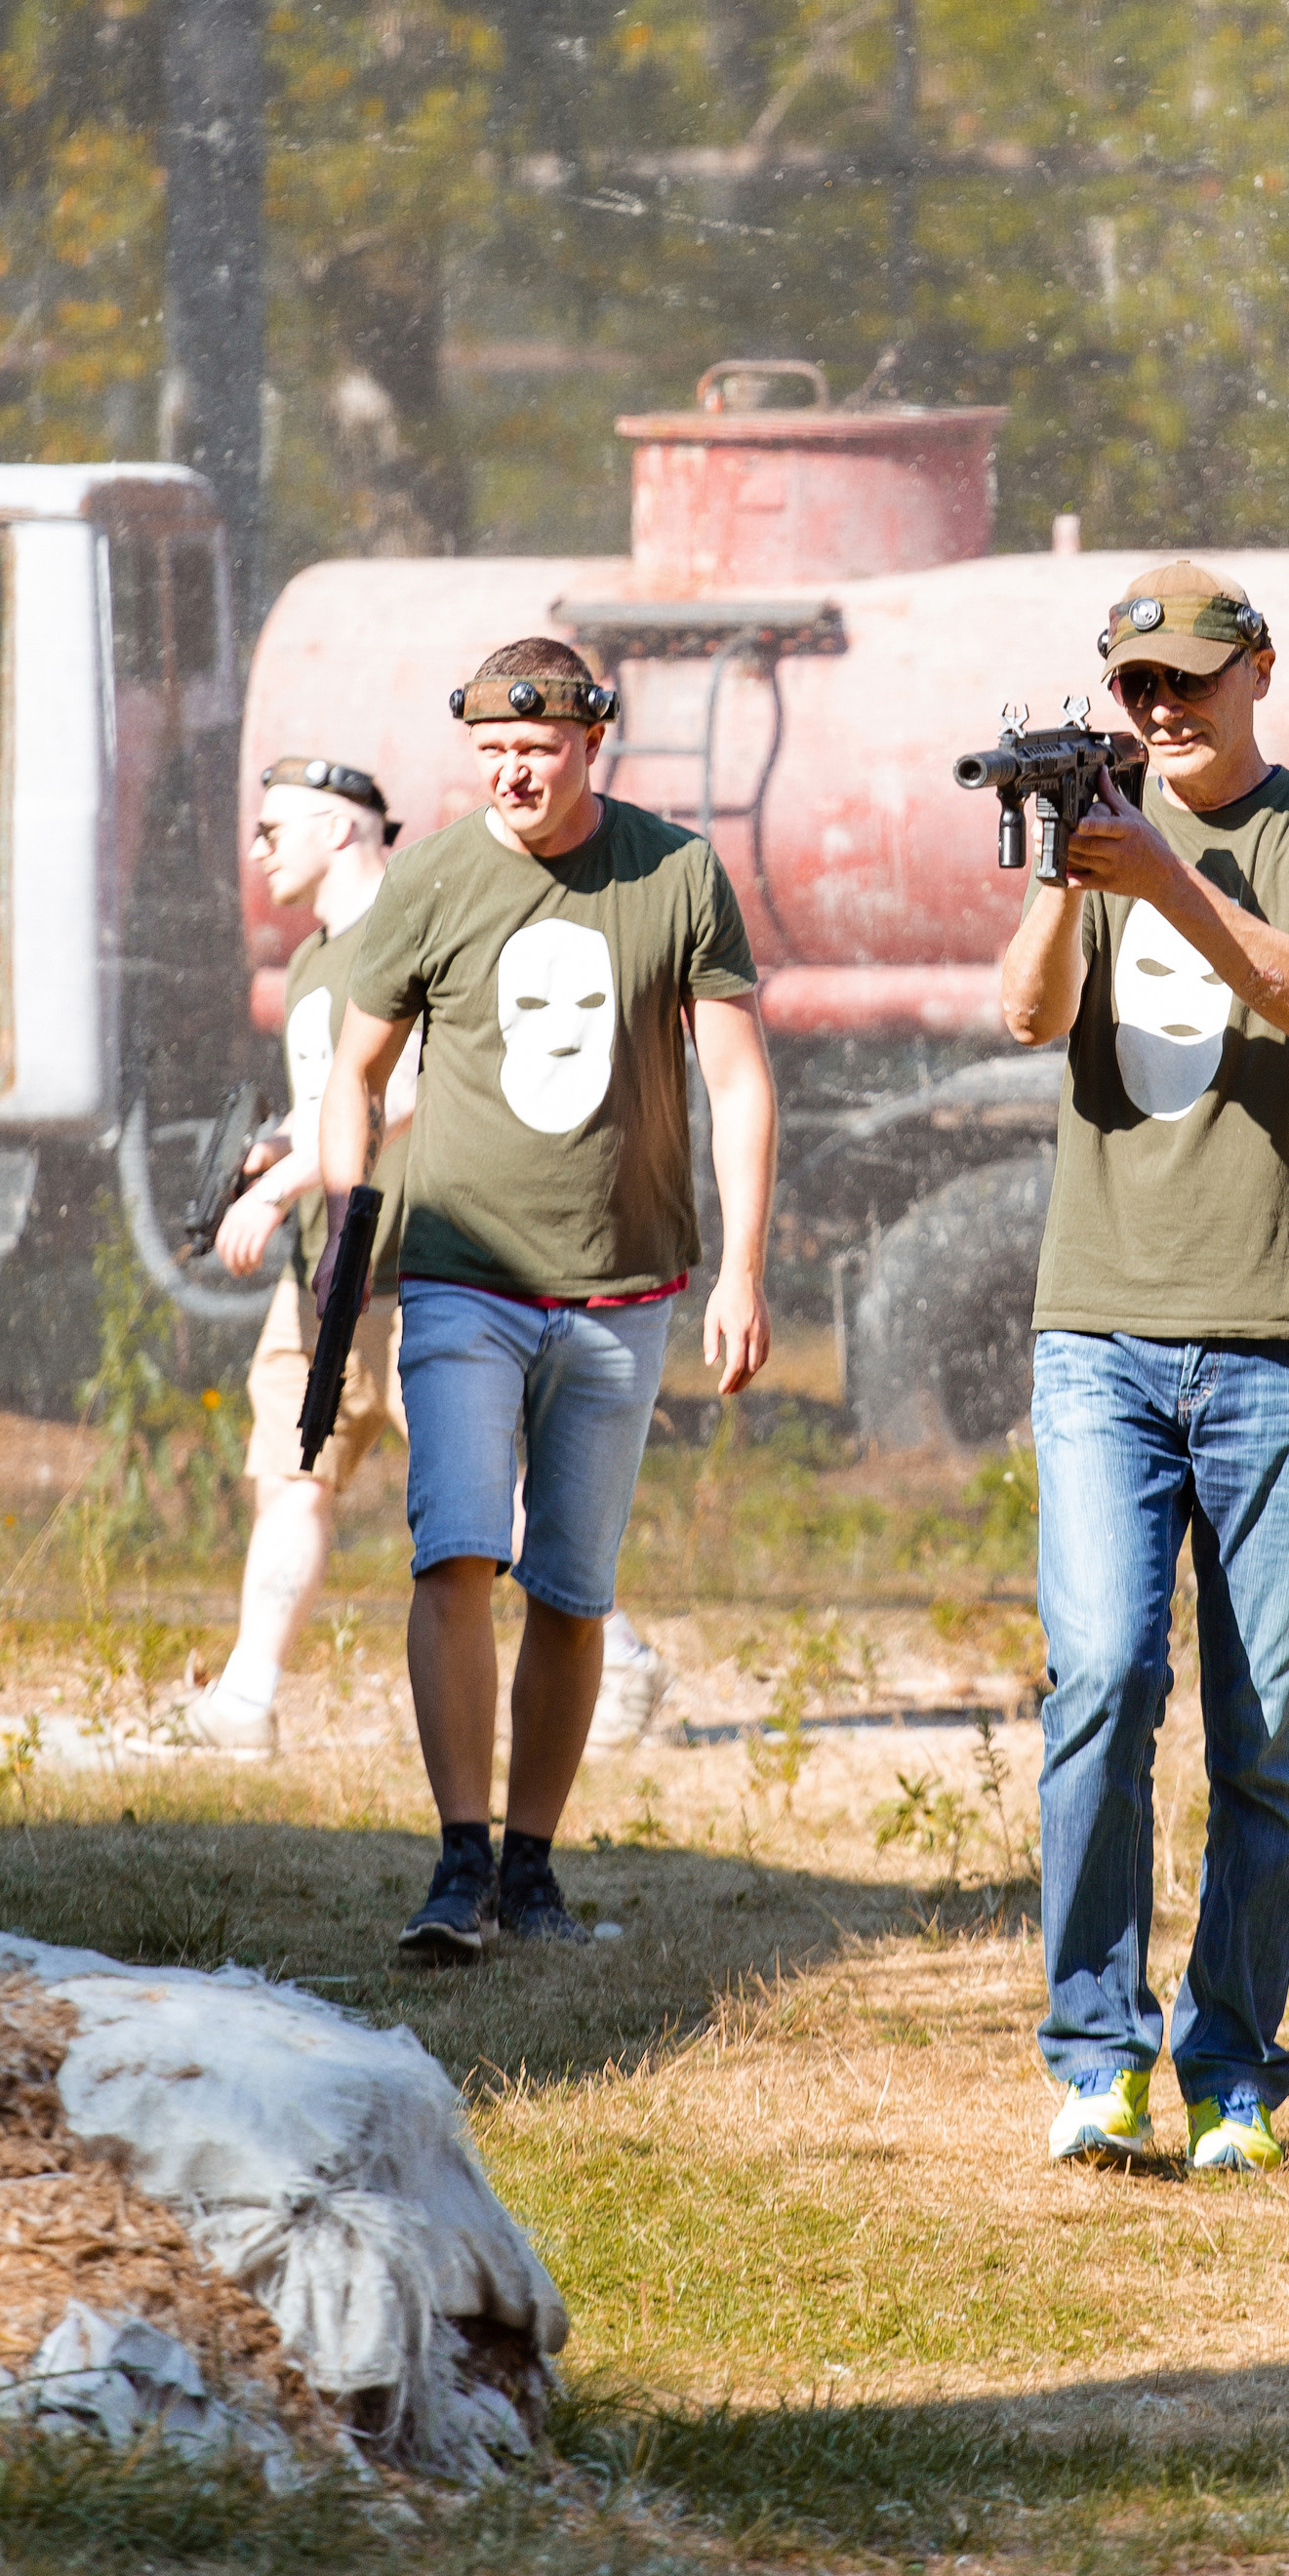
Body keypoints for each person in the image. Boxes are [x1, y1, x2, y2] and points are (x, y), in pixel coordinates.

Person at [1000, 560, 1289, 2175]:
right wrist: (1067, 864)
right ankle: (1094, 2057)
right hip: (1100, 1333)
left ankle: (1231, 2073)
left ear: (1258, 670)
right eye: (1137, 689)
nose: (1162, 709)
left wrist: (1160, 875)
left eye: (1187, 678)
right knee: (1101, 1681)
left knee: (1270, 1744)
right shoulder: (1102, 838)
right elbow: (1026, 1012)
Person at [320, 635, 777, 1961]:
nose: (513, 773)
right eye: (493, 752)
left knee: (572, 1590)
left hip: (624, 1288)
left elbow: (738, 1080)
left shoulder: (675, 871)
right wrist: (349, 1234)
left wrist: (744, 1268)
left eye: (538, 750)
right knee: (457, 1546)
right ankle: (457, 1860)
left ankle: (530, 1868)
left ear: (592, 743)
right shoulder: (429, 878)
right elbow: (354, 1074)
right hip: (460, 1277)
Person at [190, 757, 419, 1756]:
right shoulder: (311, 965)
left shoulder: (408, 932)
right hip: (322, 1279)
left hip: (418, 1269)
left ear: (338, 829)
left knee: (482, 1495)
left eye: (272, 831)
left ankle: (615, 1657)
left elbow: (406, 1089)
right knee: (290, 1474)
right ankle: (246, 1699)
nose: (256, 851)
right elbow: (335, 1097)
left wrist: (277, 1189)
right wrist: (277, 1145)